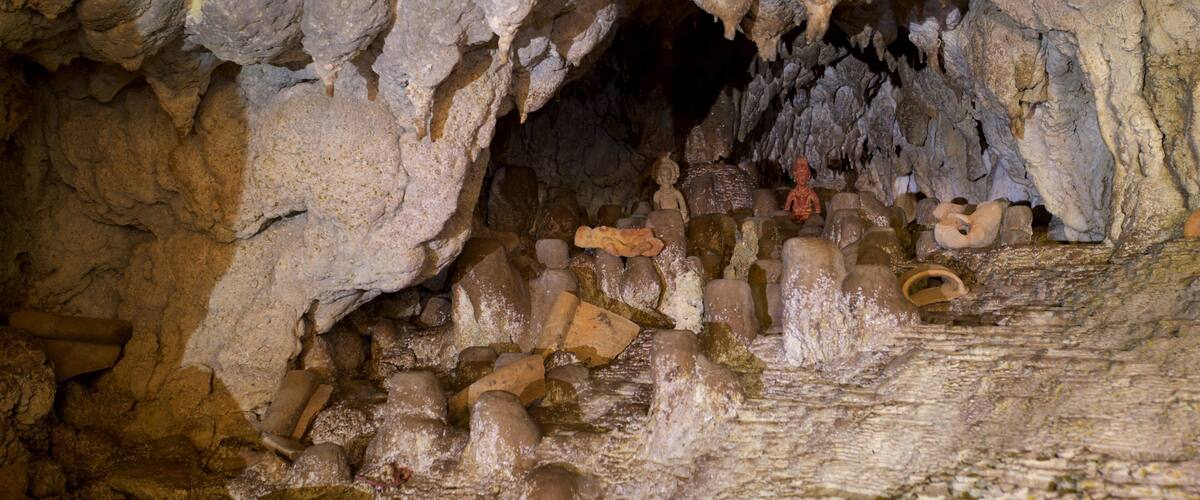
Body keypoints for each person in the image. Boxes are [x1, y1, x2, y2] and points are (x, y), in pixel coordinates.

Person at [652, 154, 689, 222]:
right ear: (659, 176)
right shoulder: (657, 194)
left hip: (675, 216)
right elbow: (656, 210)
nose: (666, 177)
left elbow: (683, 208)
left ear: (672, 175)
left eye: (668, 175)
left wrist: (683, 216)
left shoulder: (676, 193)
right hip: (663, 218)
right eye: (663, 175)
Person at [784, 156, 821, 222]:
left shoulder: (811, 193)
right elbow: (786, 209)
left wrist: (813, 218)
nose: (802, 178)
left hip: (808, 220)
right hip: (795, 218)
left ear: (808, 176)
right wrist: (791, 215)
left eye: (804, 175)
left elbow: (818, 210)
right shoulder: (792, 193)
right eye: (800, 175)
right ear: (795, 177)